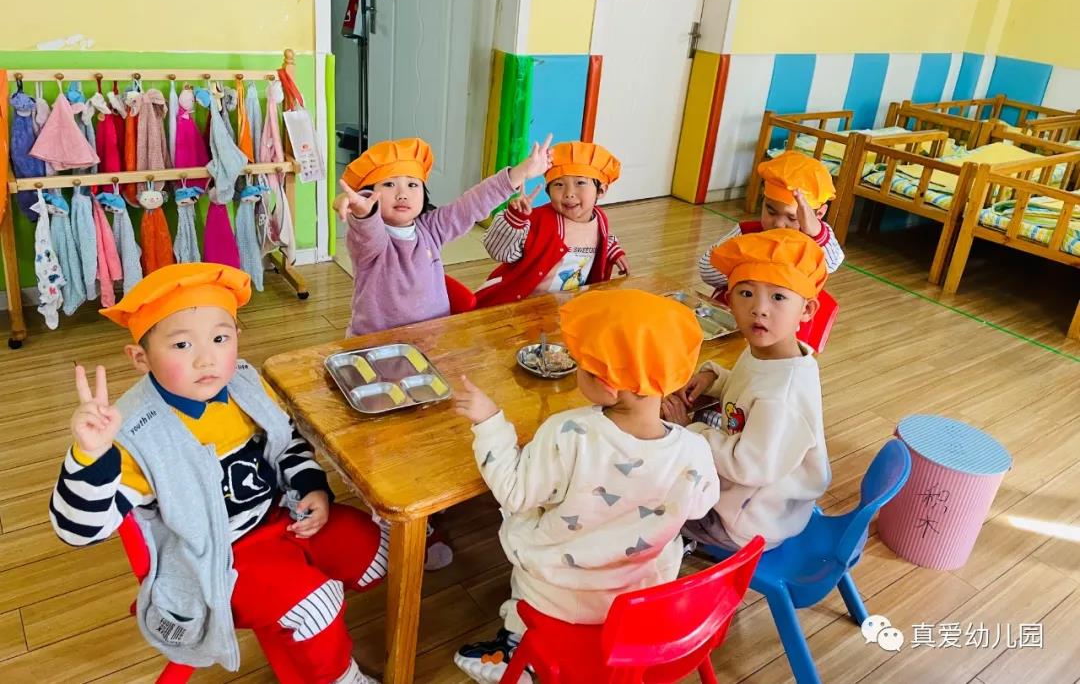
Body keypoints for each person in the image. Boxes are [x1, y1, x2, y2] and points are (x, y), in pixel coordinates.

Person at [49, 263, 385, 684]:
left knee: (374, 549)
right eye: (182, 344)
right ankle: (339, 676)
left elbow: (286, 441)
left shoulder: (244, 383)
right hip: (217, 558)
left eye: (220, 338)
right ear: (140, 357)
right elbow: (77, 531)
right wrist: (90, 456)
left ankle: (301, 618)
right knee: (318, 603)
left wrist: (310, 487)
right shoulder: (135, 433)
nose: (207, 358)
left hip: (281, 517)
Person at [451, 289, 720, 683]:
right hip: (637, 601)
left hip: (556, 597)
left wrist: (489, 423)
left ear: (607, 385)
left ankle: (514, 645)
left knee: (518, 518)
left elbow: (513, 491)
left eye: (581, 364)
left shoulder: (568, 432)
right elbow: (700, 504)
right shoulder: (693, 449)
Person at [666, 228, 831, 551]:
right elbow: (751, 385)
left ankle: (678, 547)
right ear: (729, 301)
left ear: (807, 310)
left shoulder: (782, 397)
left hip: (746, 523)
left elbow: (747, 466)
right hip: (753, 499)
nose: (759, 308)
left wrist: (689, 431)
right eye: (746, 293)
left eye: (778, 297)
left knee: (649, 489)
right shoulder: (768, 352)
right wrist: (714, 378)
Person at [334, 135, 553, 337]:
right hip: (376, 343)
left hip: (432, 337)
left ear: (423, 193)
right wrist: (363, 211)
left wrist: (520, 173)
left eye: (412, 184)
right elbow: (367, 230)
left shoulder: (431, 228)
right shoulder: (370, 239)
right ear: (370, 194)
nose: (402, 194)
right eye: (389, 184)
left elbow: (472, 204)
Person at [475, 140, 627, 306]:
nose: (569, 193)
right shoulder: (539, 220)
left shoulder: (599, 219)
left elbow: (598, 239)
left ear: (601, 190)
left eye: (580, 183)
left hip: (564, 305)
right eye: (559, 184)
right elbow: (498, 252)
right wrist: (515, 220)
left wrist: (612, 250)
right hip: (520, 305)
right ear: (548, 192)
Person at [699, 151, 843, 292]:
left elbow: (832, 263)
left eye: (792, 218)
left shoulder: (817, 238)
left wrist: (816, 232)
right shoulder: (746, 233)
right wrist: (750, 260)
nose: (778, 224)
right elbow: (706, 270)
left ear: (819, 214)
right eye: (771, 211)